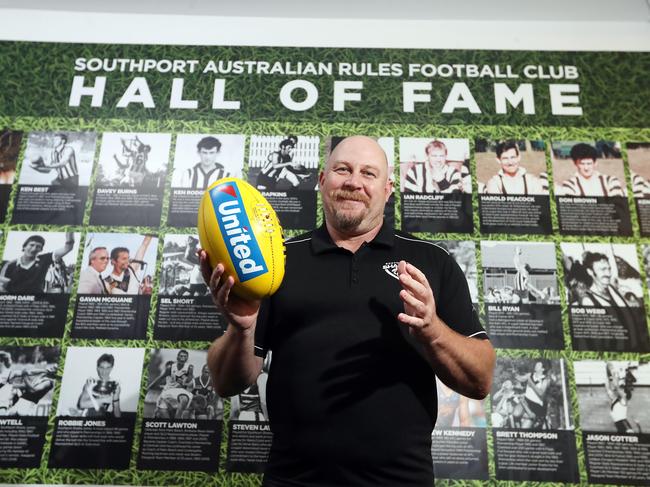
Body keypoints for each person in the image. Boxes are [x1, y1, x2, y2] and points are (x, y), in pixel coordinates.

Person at [201, 135, 495, 486]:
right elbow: (226, 381)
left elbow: (480, 380)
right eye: (343, 169)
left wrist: (432, 331)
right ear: (323, 181)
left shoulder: (431, 261)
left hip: (401, 480)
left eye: (368, 173)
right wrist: (242, 329)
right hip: (293, 479)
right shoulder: (276, 262)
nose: (354, 181)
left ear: (388, 190)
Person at [0, 232, 75, 294]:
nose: (34, 249)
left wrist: (70, 230)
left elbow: (68, 247)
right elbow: (4, 286)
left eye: (38, 246)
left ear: (41, 250)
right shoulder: (11, 265)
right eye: (31, 245)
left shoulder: (44, 259)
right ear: (24, 247)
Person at [559, 143, 624, 197]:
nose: (586, 168)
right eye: (582, 164)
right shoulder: (570, 184)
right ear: (575, 164)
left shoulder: (610, 181)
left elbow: (618, 207)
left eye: (589, 163)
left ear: (595, 163)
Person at [147, 349, 194, 419]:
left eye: (185, 357)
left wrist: (186, 382)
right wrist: (148, 388)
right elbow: (160, 378)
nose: (183, 358)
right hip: (167, 392)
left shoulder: (189, 369)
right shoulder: (170, 368)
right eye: (181, 356)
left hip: (177, 393)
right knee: (158, 412)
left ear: (187, 358)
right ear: (177, 357)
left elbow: (190, 382)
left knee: (184, 405)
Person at [77, 353, 121, 417]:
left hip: (105, 418)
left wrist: (119, 424)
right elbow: (82, 404)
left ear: (111, 368)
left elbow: (116, 410)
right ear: (97, 368)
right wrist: (105, 400)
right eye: (101, 367)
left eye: (108, 368)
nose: (104, 371)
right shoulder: (91, 382)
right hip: (90, 416)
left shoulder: (115, 386)